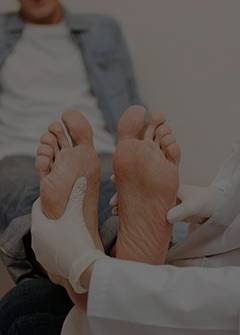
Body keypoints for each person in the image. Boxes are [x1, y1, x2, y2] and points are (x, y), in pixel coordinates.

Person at [27, 0, 240, 334]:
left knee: (27, 309)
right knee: (27, 302)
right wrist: (220, 198)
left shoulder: (98, 30)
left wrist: (87, 270)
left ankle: (95, 253)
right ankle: (115, 250)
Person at [0, 0, 139, 333]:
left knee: (111, 183)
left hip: (97, 145)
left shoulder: (102, 29)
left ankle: (68, 254)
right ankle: (114, 247)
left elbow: (129, 97)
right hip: (19, 149)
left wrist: (136, 141)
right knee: (29, 189)